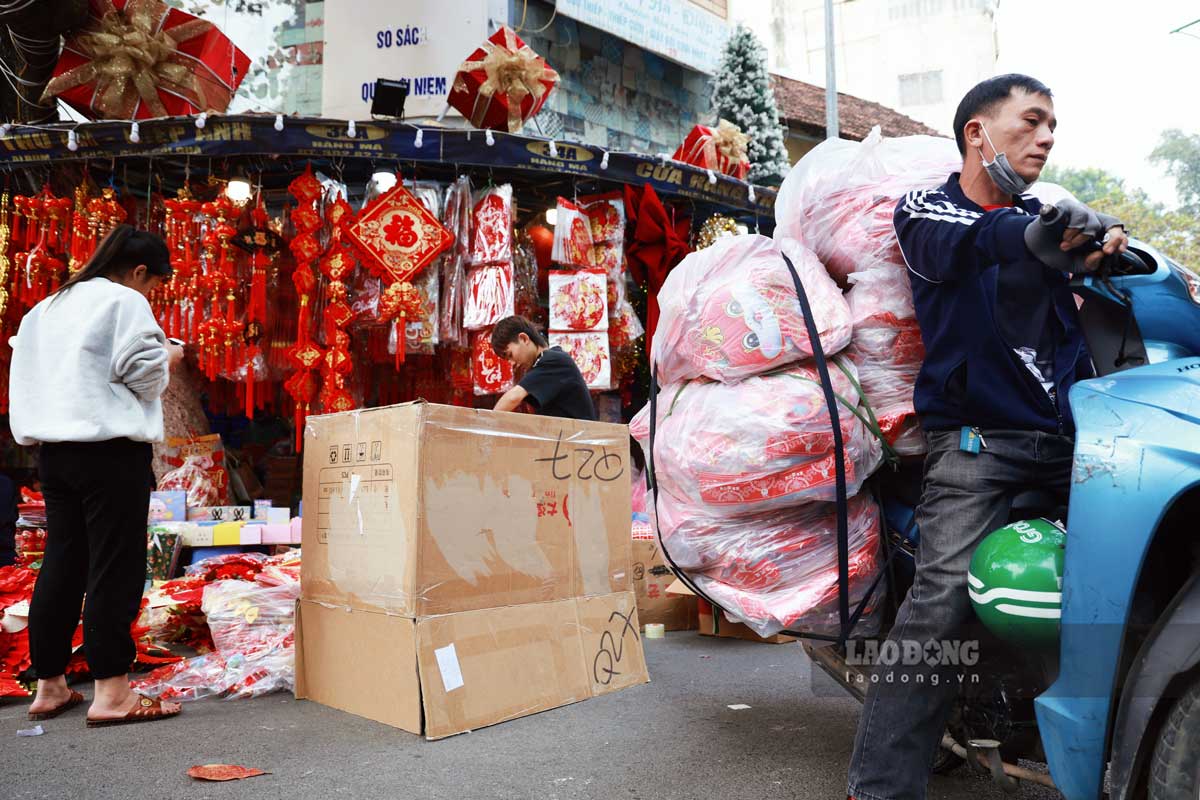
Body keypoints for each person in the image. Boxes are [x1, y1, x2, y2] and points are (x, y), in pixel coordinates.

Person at [846, 74, 1128, 800]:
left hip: (1070, 439)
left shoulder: (1045, 213)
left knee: (1132, 572)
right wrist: (1041, 234)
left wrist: (1103, 250)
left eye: (1053, 127)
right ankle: (877, 787)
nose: (1047, 138)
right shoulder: (928, 208)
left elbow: (1070, 258)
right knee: (940, 602)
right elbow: (970, 244)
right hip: (975, 443)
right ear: (977, 131)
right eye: (1031, 122)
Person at [9, 225, 185, 727]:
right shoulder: (123, 301)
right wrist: (169, 355)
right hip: (109, 452)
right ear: (138, 271)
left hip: (54, 452)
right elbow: (144, 374)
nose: (150, 294)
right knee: (114, 565)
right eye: (153, 284)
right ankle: (111, 693)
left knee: (63, 562)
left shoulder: (46, 308)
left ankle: (49, 685)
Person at [490, 315, 597, 421]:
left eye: (510, 355)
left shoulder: (553, 361)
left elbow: (513, 398)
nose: (512, 363)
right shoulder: (546, 362)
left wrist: (487, 423)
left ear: (524, 338)